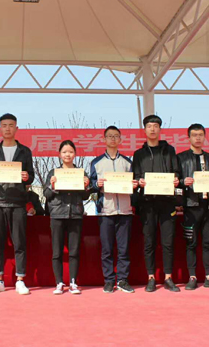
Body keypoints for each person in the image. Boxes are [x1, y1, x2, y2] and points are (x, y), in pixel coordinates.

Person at [0, 113, 35, 295]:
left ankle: (20, 279)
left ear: (16, 128)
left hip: (18, 201)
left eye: (11, 125)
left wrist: (27, 176)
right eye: (4, 125)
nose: (7, 128)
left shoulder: (24, 151)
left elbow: (31, 175)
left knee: (19, 242)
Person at [132, 115, 181, 292]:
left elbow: (177, 172)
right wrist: (139, 181)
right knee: (149, 241)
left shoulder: (169, 150)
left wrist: (176, 180)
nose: (152, 129)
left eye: (155, 126)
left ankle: (168, 277)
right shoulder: (139, 154)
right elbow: (135, 177)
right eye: (149, 126)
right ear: (144, 130)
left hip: (167, 202)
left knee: (168, 242)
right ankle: (151, 277)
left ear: (160, 129)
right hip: (147, 203)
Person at [177, 124, 209, 290]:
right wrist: (183, 182)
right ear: (188, 138)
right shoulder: (181, 158)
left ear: (205, 137)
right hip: (191, 205)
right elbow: (175, 181)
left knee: (208, 242)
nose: (198, 138)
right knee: (190, 242)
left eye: (200, 135)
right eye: (194, 135)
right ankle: (192, 277)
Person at [89, 126, 138, 294]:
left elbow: (133, 184)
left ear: (120, 140)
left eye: (116, 136)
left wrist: (134, 185)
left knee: (124, 249)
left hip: (125, 210)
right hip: (106, 211)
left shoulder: (127, 162)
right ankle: (109, 280)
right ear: (104, 139)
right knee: (107, 249)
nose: (112, 139)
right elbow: (90, 186)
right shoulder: (96, 163)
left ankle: (123, 280)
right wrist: (96, 184)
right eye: (109, 136)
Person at [44, 140, 91, 295]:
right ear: (59, 154)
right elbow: (46, 194)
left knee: (74, 251)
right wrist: (52, 186)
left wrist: (86, 186)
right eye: (64, 152)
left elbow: (85, 196)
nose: (67, 155)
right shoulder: (53, 173)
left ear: (75, 154)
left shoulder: (81, 173)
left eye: (70, 152)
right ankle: (59, 282)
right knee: (57, 251)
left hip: (75, 214)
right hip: (57, 214)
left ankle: (73, 282)